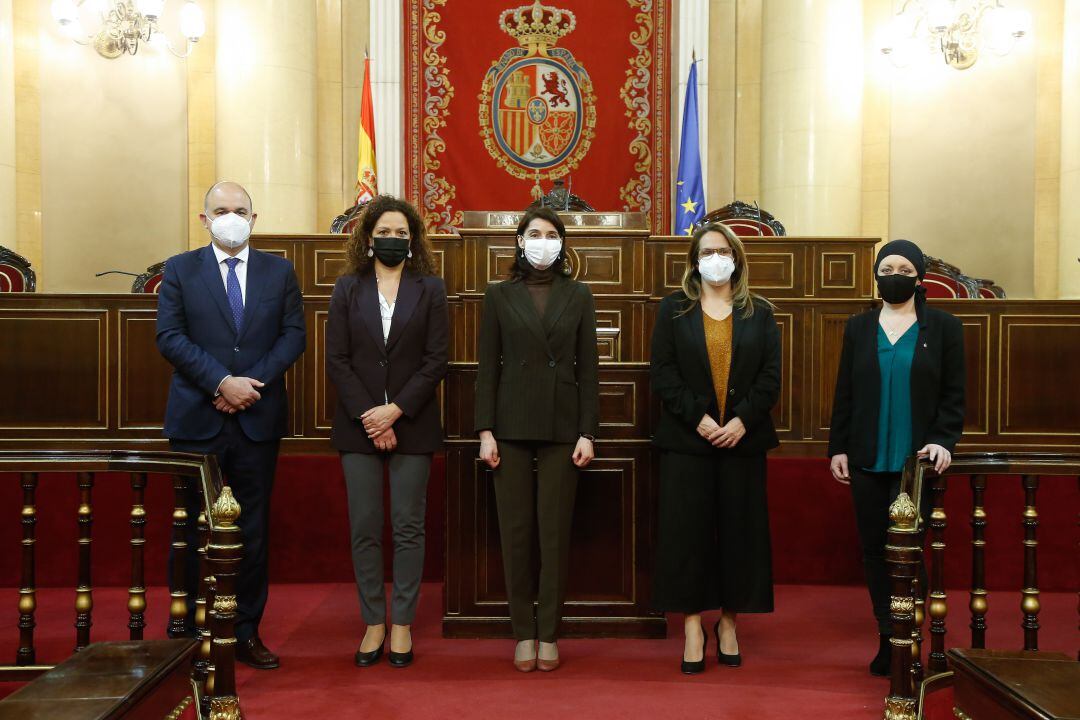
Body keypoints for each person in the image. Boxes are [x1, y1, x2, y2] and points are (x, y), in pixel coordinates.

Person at [157, 181, 306, 669]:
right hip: (197, 421)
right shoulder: (179, 270)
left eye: (240, 210)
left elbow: (292, 337)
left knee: (252, 532)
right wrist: (221, 382)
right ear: (204, 220)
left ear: (254, 218)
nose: (231, 216)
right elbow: (170, 338)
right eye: (221, 210)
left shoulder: (279, 272)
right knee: (191, 531)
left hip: (256, 421)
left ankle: (244, 631)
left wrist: (248, 384)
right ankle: (188, 630)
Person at [828, 238, 965, 677]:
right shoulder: (859, 327)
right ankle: (888, 639)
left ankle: (912, 637)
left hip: (916, 463)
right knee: (873, 551)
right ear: (876, 274)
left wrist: (945, 439)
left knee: (907, 552)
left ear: (919, 276)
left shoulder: (943, 328)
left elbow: (953, 395)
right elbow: (844, 393)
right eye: (887, 267)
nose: (894, 275)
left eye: (904, 269)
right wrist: (839, 448)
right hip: (867, 458)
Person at [649, 222, 781, 674]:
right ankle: (691, 624)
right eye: (707, 251)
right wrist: (700, 419)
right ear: (694, 260)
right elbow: (663, 374)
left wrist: (741, 420)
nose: (716, 258)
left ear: (737, 258)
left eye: (724, 250)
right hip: (688, 441)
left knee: (739, 536)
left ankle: (729, 621)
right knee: (688, 536)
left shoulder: (759, 312)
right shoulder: (673, 310)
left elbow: (770, 378)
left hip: (743, 441)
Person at [325, 195, 449, 668]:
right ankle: (373, 621)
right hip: (357, 427)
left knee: (408, 527)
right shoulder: (347, 288)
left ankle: (402, 624)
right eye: (385, 232)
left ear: (413, 239)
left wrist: (394, 411)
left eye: (401, 233)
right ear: (368, 237)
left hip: (412, 423)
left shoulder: (431, 288)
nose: (393, 239)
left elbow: (436, 360)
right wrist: (370, 416)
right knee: (365, 527)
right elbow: (336, 359)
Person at [474, 207, 599, 673]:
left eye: (551, 234)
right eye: (535, 233)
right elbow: (488, 367)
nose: (543, 241)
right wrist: (485, 431)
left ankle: (549, 633)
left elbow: (589, 369)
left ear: (562, 244)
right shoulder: (498, 295)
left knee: (554, 534)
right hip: (509, 427)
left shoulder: (579, 294)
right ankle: (521, 633)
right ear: (520, 241)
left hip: (564, 430)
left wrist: (588, 431)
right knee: (517, 534)